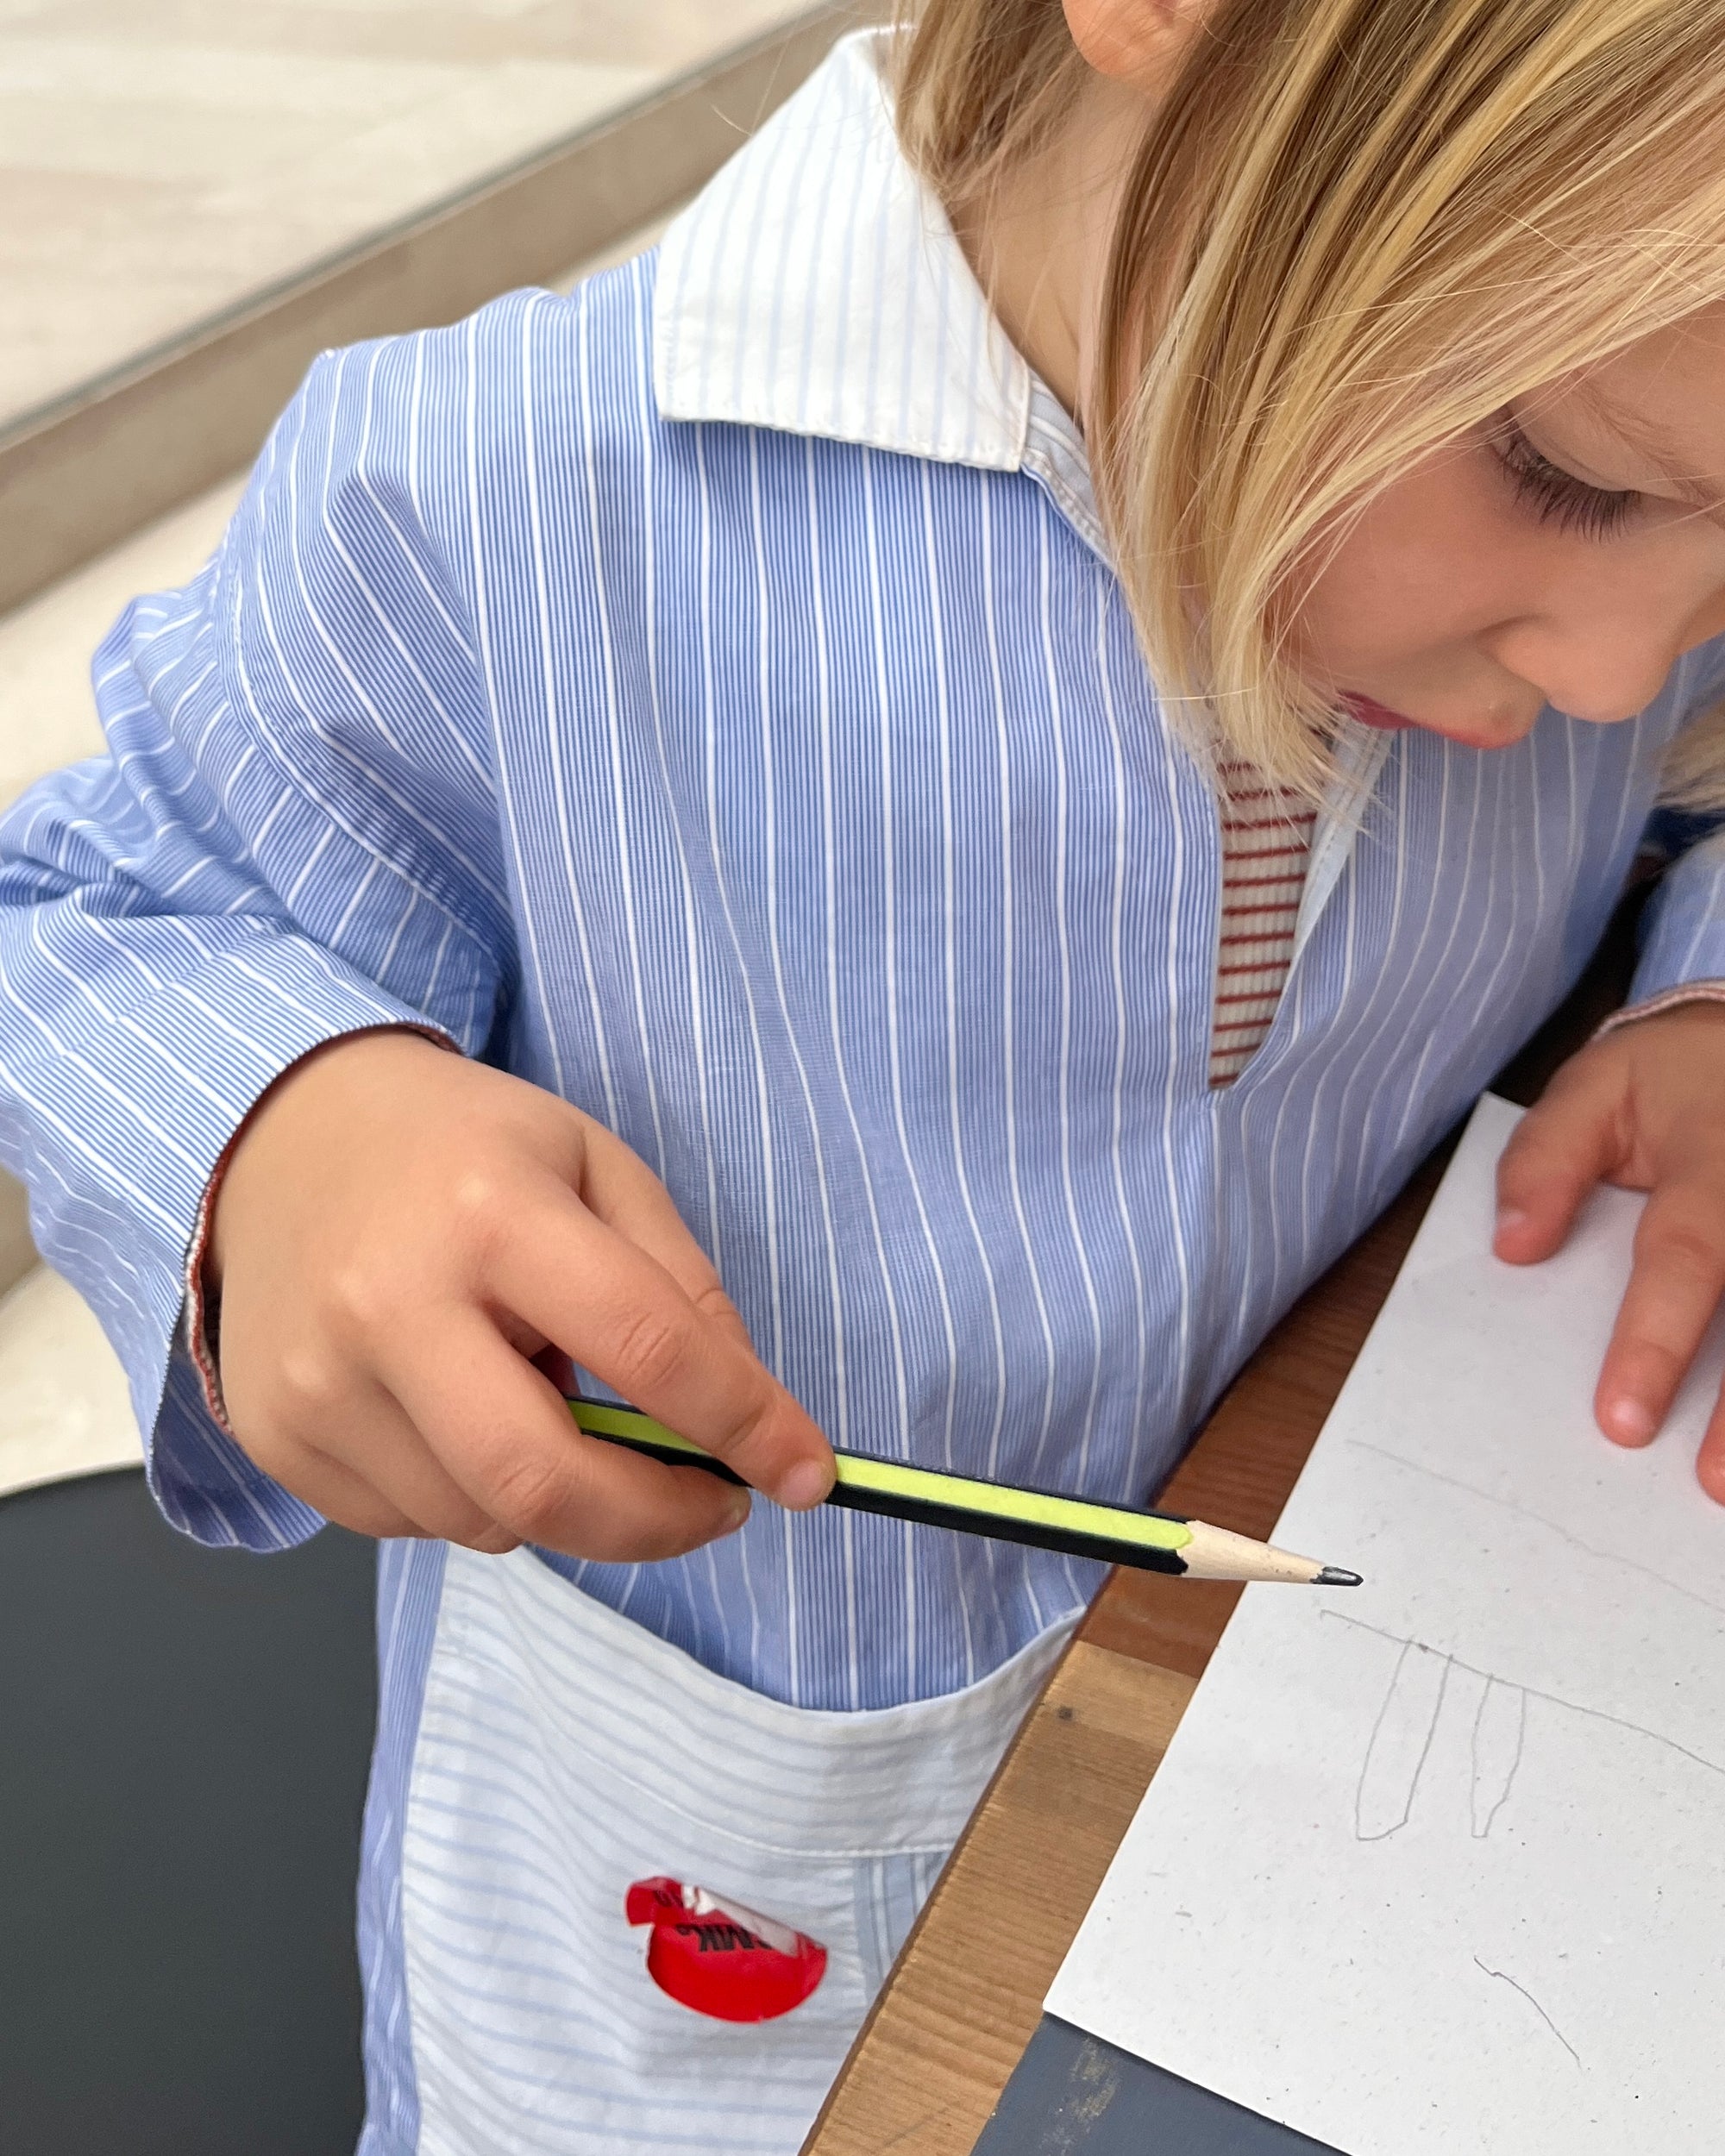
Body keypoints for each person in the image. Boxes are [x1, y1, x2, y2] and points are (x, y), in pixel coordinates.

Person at [5, 0, 1725, 2147]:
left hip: (1265, 1831)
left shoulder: (1622, 506)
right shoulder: (508, 494)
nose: (1628, 661)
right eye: (1563, 478)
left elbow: (1693, 790)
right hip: (696, 1909)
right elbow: (92, 906)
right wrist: (275, 1129)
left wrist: (1699, 1000)